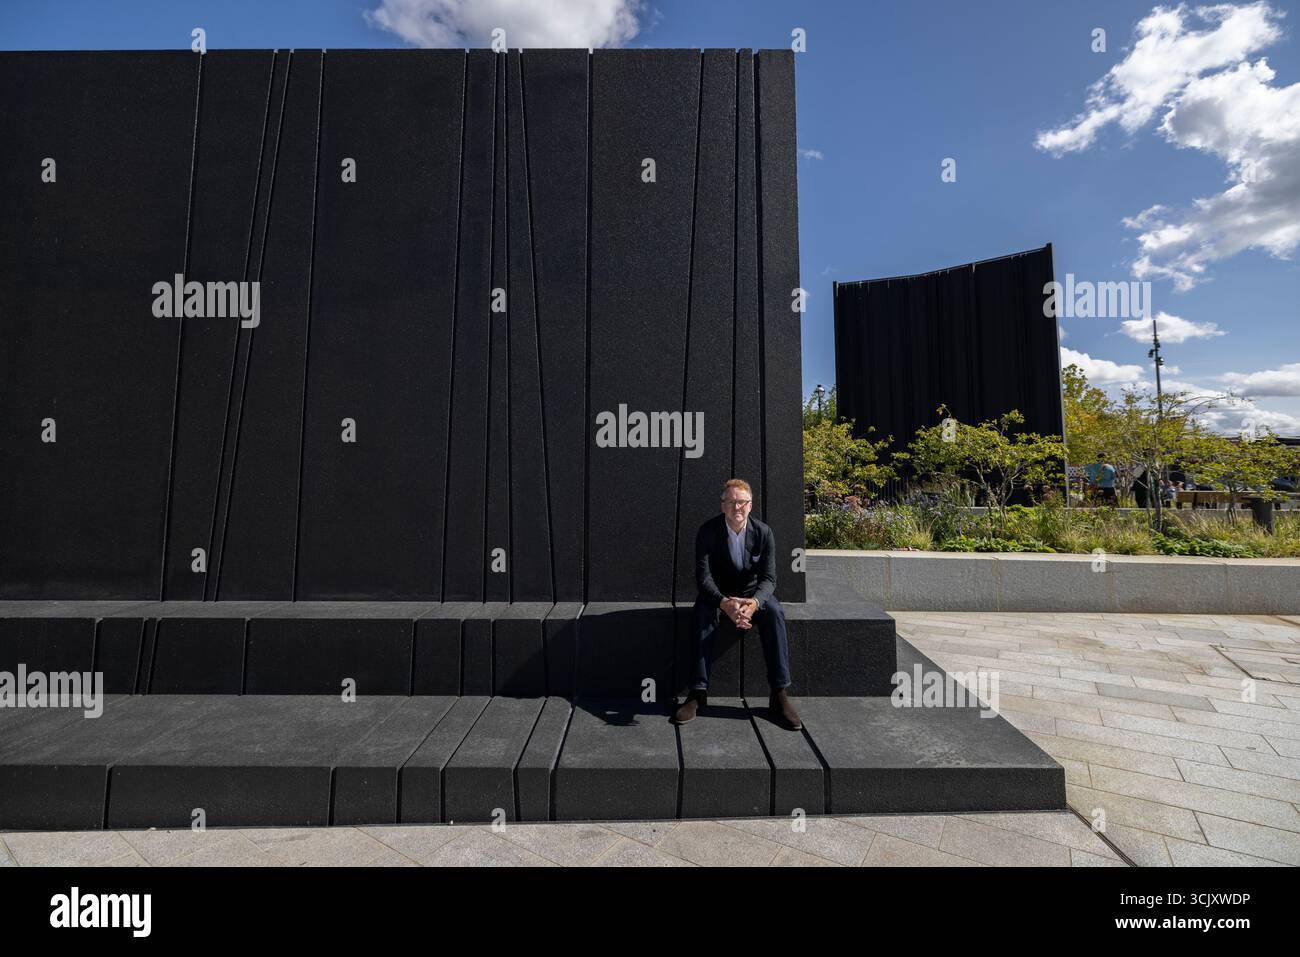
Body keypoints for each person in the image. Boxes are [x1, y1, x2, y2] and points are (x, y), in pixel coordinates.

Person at [673, 478, 801, 730]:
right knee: (701, 613)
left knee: (774, 611)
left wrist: (753, 603)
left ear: (750, 505)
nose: (737, 507)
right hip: (718, 595)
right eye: (731, 502)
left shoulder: (763, 532)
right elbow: (703, 578)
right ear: (722, 506)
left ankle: (779, 694)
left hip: (752, 594)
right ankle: (697, 693)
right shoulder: (707, 532)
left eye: (742, 502)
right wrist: (724, 603)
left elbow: (769, 578)